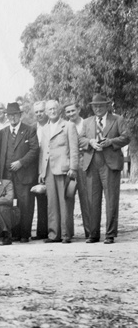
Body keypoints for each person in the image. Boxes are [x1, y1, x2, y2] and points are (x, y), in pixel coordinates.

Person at [79, 94, 130, 244]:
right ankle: (93, 234)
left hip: (110, 163)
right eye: (95, 106)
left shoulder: (117, 120)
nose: (98, 108)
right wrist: (90, 142)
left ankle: (110, 234)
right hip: (92, 162)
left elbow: (127, 137)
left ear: (107, 106)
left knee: (111, 199)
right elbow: (80, 139)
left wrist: (110, 142)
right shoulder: (87, 122)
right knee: (92, 200)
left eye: (101, 105)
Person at [0, 102, 39, 242]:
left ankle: (24, 233)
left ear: (20, 115)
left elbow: (35, 150)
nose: (13, 118)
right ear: (7, 116)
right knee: (10, 203)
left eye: (15, 114)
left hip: (25, 174)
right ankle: (13, 232)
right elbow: (0, 153)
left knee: (25, 203)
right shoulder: (3, 132)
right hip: (7, 175)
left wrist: (21, 162)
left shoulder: (29, 130)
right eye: (10, 115)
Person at [39, 100, 78, 243]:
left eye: (54, 108)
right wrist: (41, 172)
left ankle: (66, 234)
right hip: (48, 169)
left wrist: (73, 168)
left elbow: (74, 149)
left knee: (64, 202)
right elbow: (43, 151)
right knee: (52, 203)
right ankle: (53, 234)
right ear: (46, 112)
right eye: (49, 109)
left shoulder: (68, 126)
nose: (52, 111)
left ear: (59, 110)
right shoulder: (44, 129)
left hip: (63, 169)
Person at [64, 102, 90, 235]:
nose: (70, 114)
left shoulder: (87, 123)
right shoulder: (64, 125)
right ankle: (68, 233)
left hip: (85, 161)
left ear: (79, 110)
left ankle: (90, 232)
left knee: (86, 197)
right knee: (68, 196)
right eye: (68, 112)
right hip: (70, 163)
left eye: (73, 111)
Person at [32, 101, 50, 240]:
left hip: (49, 167)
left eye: (41, 111)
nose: (39, 114)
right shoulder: (32, 129)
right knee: (40, 200)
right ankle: (41, 231)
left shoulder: (52, 126)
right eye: (36, 112)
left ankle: (53, 230)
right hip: (34, 168)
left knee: (51, 199)